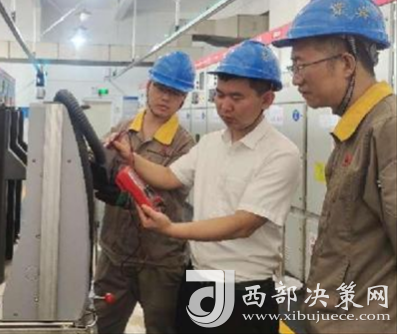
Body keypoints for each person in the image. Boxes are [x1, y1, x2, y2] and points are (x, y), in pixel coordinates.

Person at [112, 40, 301, 333]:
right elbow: (169, 177)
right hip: (202, 276)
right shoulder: (211, 143)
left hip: (243, 285)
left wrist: (170, 229)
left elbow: (243, 224)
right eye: (220, 95)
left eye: (236, 97)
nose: (225, 106)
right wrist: (131, 158)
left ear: (266, 100)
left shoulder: (281, 153)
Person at [272, 0, 396, 333]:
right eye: (293, 67)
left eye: (301, 65)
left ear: (346, 64)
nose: (296, 78)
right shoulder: (356, 131)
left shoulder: (388, 128)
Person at [91, 51, 196, 334]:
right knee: (102, 326)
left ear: (183, 99)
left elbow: (168, 193)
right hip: (115, 256)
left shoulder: (184, 145)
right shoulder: (123, 130)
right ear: (149, 86)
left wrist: (126, 185)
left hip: (160, 261)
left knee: (162, 329)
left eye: (175, 93)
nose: (165, 98)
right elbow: (98, 166)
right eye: (161, 88)